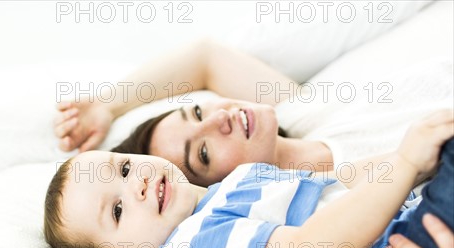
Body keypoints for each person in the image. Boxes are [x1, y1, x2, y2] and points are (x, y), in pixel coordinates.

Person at [44, 110, 453, 248]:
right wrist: (405, 164)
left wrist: (416, 158)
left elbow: (341, 181)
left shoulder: (239, 180)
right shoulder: (194, 244)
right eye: (116, 211)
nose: (138, 184)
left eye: (126, 168)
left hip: (413, 227)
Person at [54, 39, 335, 187]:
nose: (219, 119)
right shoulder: (337, 197)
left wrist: (107, 105)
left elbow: (205, 57)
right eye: (203, 153)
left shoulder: (304, 111)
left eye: (198, 112)